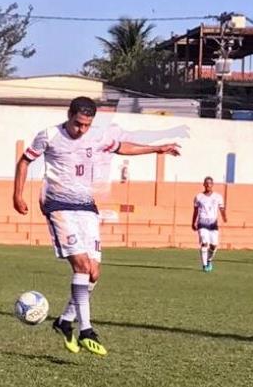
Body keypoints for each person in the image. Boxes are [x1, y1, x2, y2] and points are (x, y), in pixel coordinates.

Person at [13, 96, 180, 356]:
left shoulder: (97, 136)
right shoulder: (48, 135)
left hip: (86, 207)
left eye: (86, 125)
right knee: (81, 265)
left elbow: (122, 147)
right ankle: (86, 329)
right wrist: (18, 195)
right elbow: (24, 161)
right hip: (58, 205)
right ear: (69, 115)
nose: (81, 130)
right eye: (78, 123)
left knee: (93, 273)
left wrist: (156, 149)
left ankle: (65, 321)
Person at [192, 176, 227, 272]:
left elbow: (222, 208)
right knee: (204, 243)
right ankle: (204, 266)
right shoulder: (198, 197)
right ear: (203, 184)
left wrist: (224, 217)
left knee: (214, 245)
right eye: (206, 183)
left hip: (213, 224)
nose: (208, 185)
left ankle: (209, 260)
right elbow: (195, 211)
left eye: (210, 183)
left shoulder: (218, 197)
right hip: (202, 223)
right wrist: (193, 222)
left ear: (212, 185)